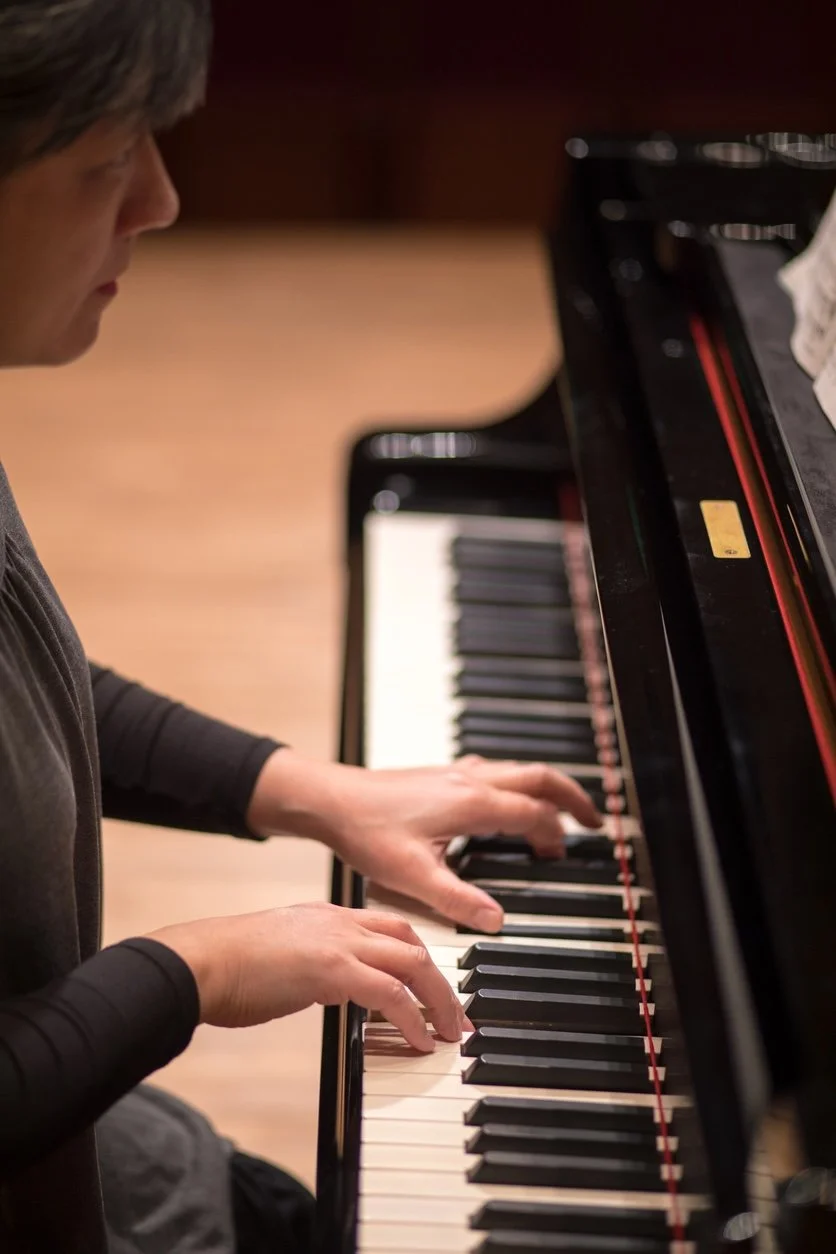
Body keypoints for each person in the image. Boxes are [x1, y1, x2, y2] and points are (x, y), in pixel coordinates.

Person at [0, 2, 602, 1251]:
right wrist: (195, 971)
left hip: (111, 1154)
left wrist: (309, 791)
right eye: (109, 160)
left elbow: (29, 695)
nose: (159, 201)